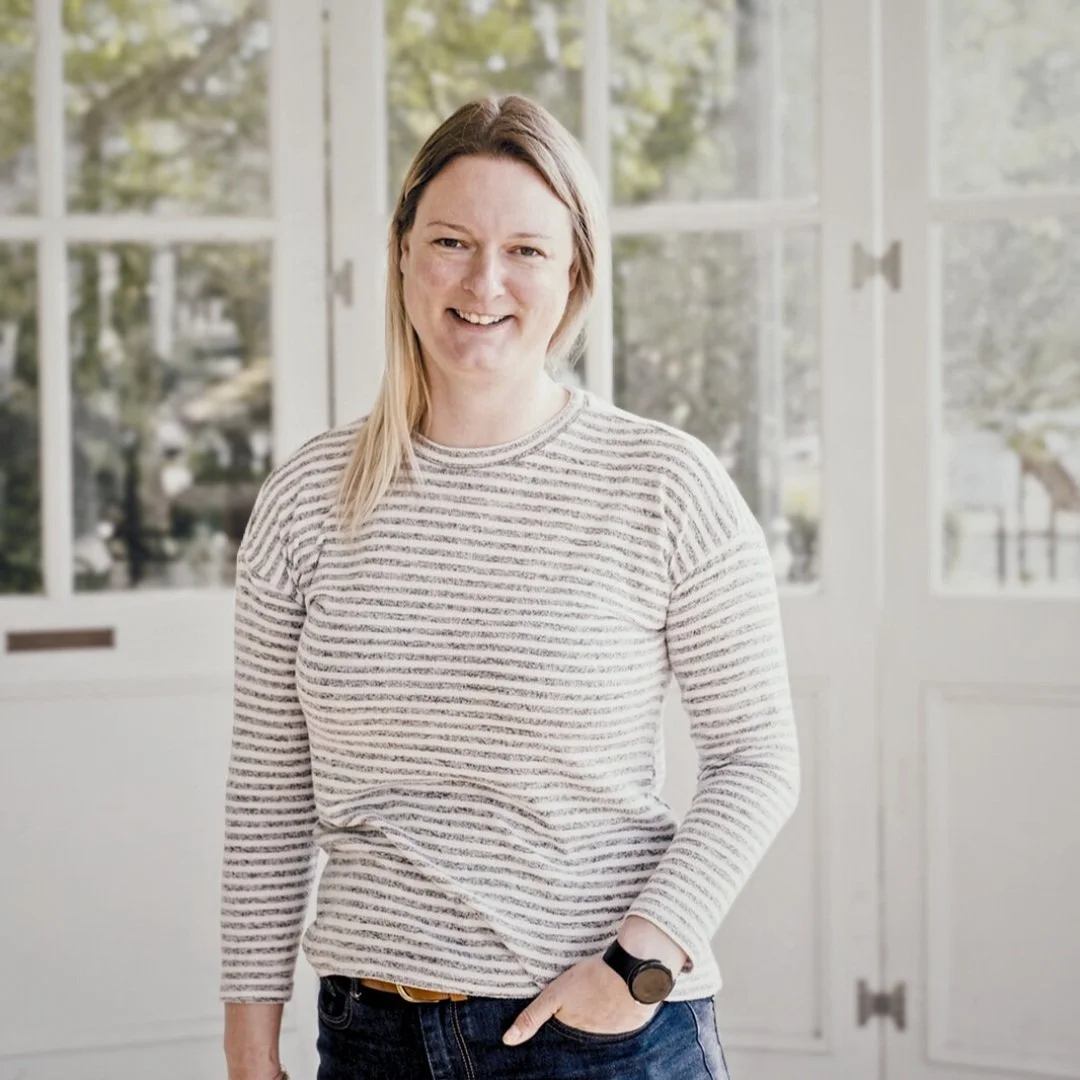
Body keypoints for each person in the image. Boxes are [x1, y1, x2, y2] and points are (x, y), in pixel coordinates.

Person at [220, 93, 800, 1080]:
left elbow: (757, 758)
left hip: (599, 1039)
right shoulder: (308, 499)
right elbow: (268, 796)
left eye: (526, 249)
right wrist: (248, 1050)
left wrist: (637, 968)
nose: (484, 281)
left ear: (574, 271)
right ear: (403, 253)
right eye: (452, 241)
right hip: (369, 1038)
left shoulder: (663, 483)